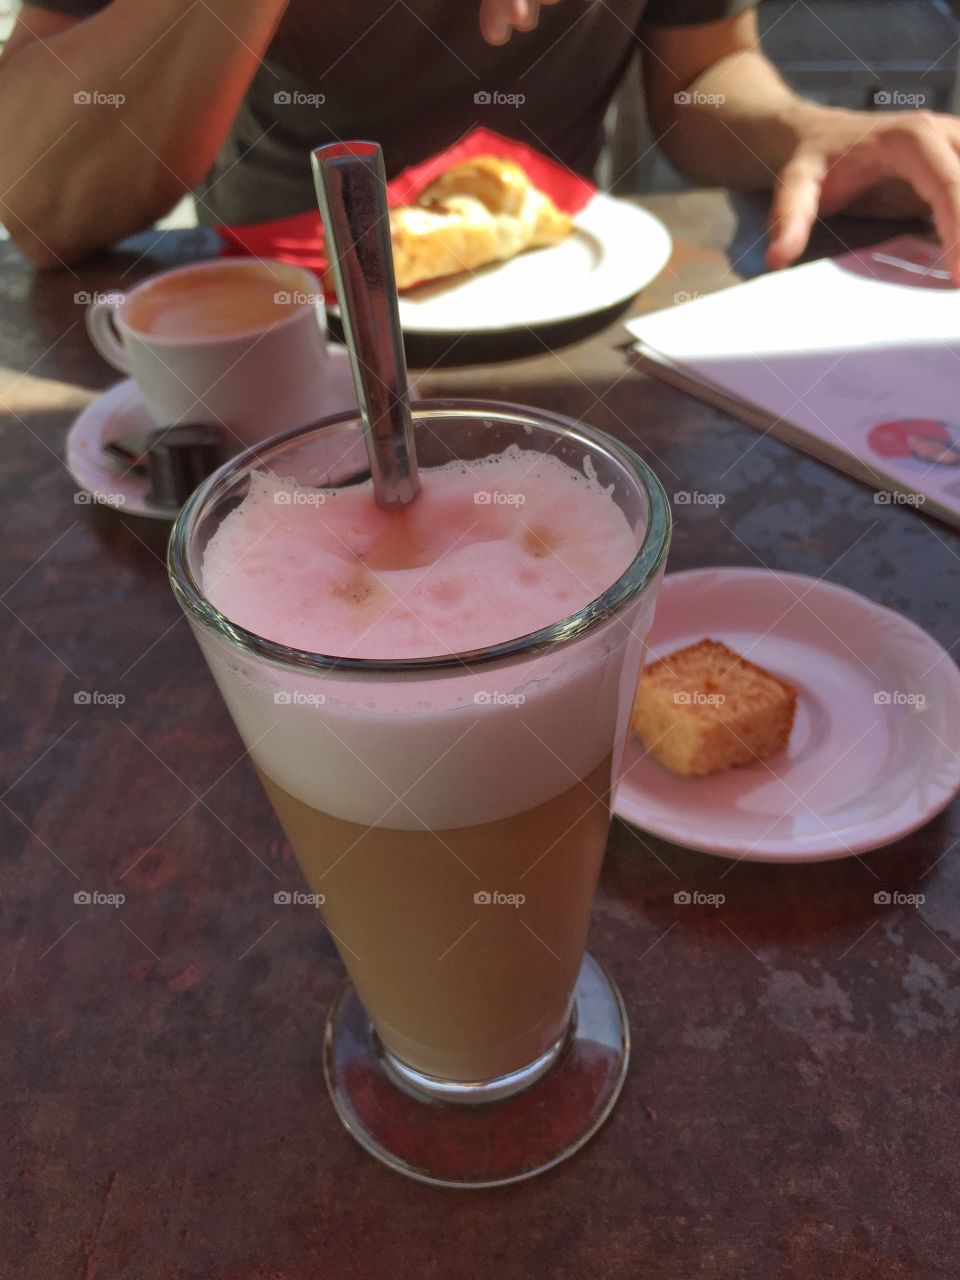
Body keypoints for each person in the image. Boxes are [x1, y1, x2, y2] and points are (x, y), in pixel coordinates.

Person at [2, 0, 960, 280]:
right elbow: (39, 201)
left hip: (565, 317)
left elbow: (702, 75)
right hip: (275, 342)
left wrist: (818, 131)